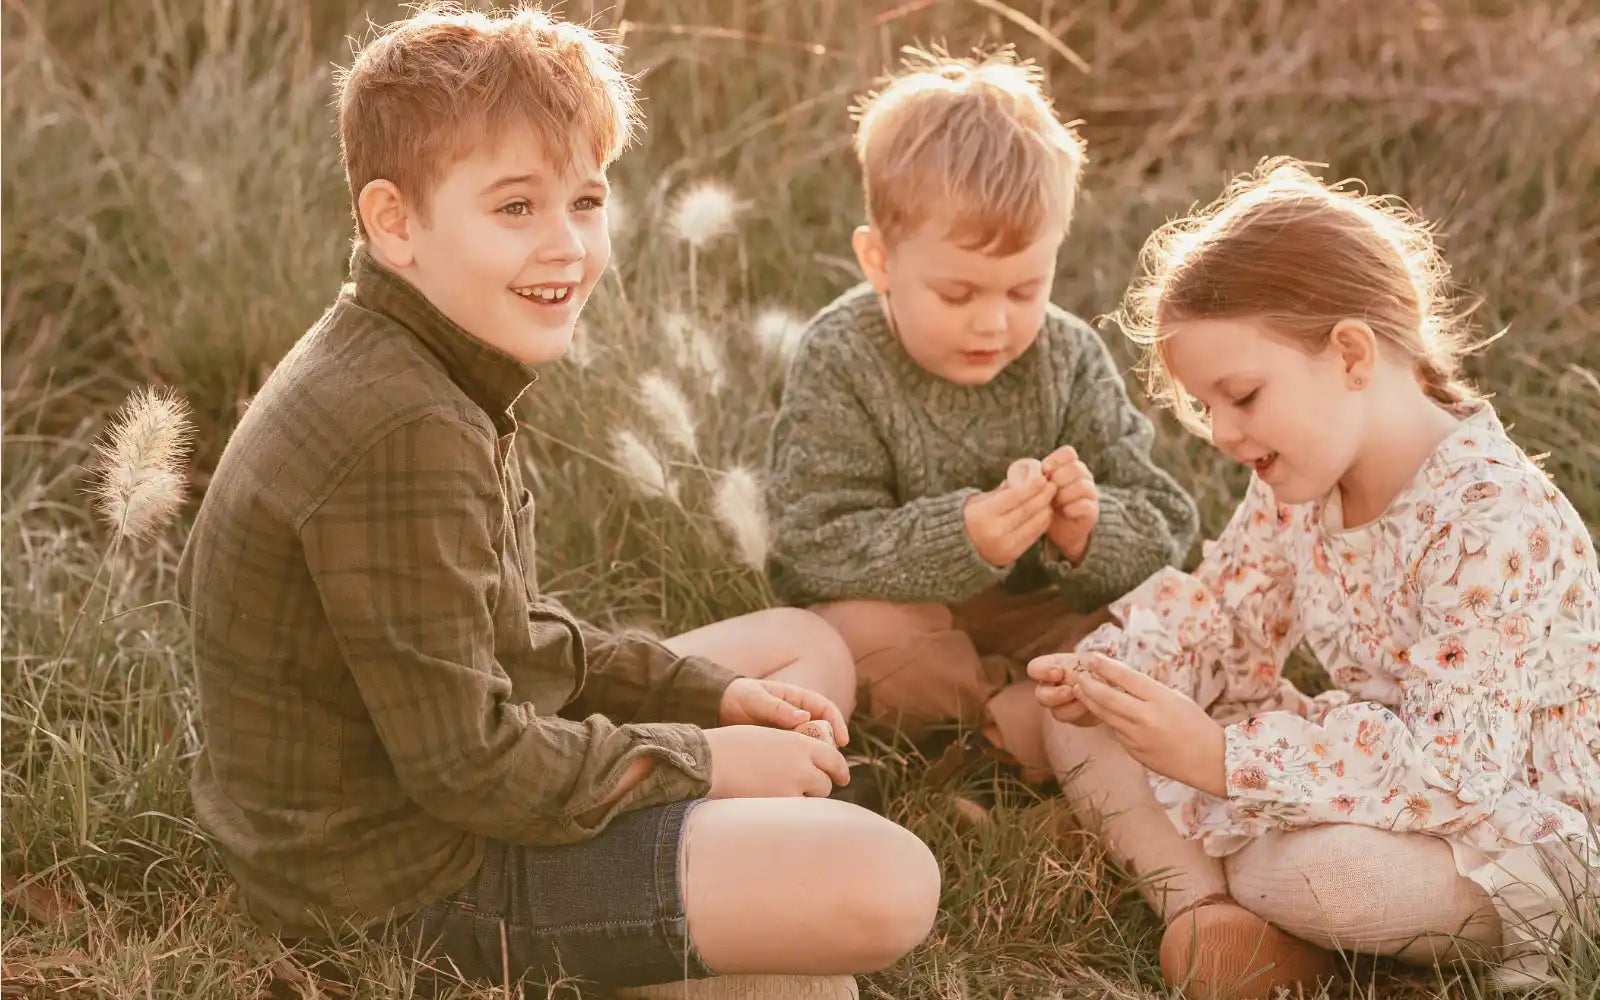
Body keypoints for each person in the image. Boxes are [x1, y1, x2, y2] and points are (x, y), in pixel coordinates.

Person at [177, 7, 938, 997]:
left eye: (585, 200)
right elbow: (470, 769)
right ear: (394, 221)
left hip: (439, 784)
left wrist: (704, 698)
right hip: (404, 886)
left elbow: (509, 633)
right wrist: (702, 762)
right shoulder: (400, 426)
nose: (566, 247)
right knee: (883, 885)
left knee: (808, 648)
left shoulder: (416, 354)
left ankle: (710, 907)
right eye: (514, 208)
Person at [1030, 156, 1599, 998]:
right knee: (1091, 723)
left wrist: (1222, 759)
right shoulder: (1297, 482)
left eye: (1242, 395)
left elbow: (1454, 777)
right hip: (1359, 777)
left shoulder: (1490, 517)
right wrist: (1120, 677)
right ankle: (1209, 915)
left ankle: (1265, 912)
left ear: (1350, 354)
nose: (1221, 432)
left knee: (1322, 875)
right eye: (1206, 407)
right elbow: (1225, 615)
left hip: (1510, 833)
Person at [764, 46, 1197, 787]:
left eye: (1024, 291)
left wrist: (1088, 531)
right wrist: (961, 534)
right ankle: (1022, 729)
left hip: (1047, 618)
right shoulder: (842, 356)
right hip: (918, 626)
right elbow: (807, 546)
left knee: (1183, 614)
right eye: (958, 295)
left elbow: (1170, 527)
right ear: (880, 263)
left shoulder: (1067, 356)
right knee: (847, 640)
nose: (993, 324)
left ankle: (1002, 736)